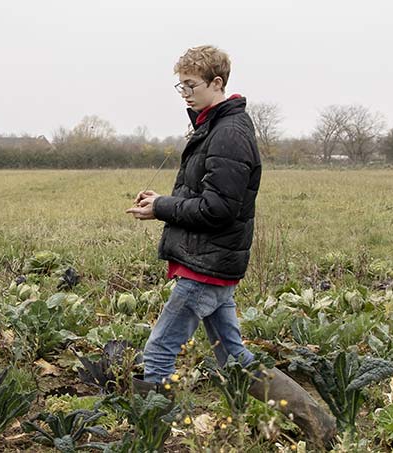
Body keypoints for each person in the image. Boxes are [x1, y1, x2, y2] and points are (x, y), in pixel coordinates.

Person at [126, 45, 337, 447]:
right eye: (180, 86)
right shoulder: (214, 127)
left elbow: (219, 207)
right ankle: (320, 426)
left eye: (191, 85)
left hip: (206, 266)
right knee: (233, 357)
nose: (185, 93)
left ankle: (147, 443)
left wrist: (163, 209)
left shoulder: (229, 132)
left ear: (217, 83)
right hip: (209, 261)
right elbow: (206, 193)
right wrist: (163, 200)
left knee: (158, 353)